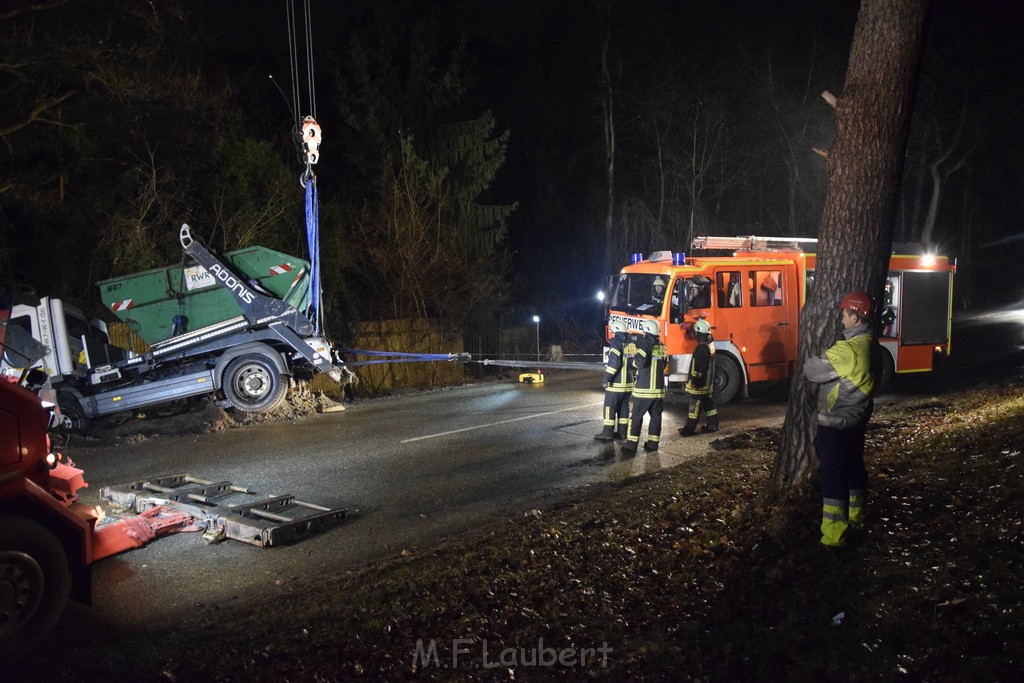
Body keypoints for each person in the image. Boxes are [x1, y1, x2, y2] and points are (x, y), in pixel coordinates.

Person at [803, 291, 878, 547]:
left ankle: (834, 536)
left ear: (856, 319)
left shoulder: (848, 351)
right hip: (855, 423)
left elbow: (811, 370)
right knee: (854, 471)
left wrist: (823, 355)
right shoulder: (871, 345)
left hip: (835, 425)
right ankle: (857, 518)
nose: (842, 319)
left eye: (845, 315)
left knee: (834, 479)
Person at [623, 319, 667, 453]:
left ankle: (631, 444)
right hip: (658, 391)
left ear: (646, 331)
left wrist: (632, 362)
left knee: (636, 417)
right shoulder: (662, 346)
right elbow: (664, 364)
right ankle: (653, 444)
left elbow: (639, 363)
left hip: (644, 390)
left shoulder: (645, 345)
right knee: (656, 417)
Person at [678, 318, 719, 436]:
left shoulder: (701, 348)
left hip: (700, 383)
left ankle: (689, 429)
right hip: (707, 382)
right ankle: (713, 424)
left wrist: (695, 381)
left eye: (695, 333)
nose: (694, 335)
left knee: (694, 405)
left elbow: (699, 367)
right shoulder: (710, 344)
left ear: (699, 333)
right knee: (707, 403)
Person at [595, 320, 633, 442]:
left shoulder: (616, 343)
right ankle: (622, 433)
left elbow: (614, 364)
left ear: (615, 330)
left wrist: (606, 378)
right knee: (623, 408)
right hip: (628, 383)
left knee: (609, 407)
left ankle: (607, 433)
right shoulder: (630, 343)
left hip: (616, 384)